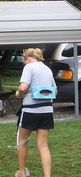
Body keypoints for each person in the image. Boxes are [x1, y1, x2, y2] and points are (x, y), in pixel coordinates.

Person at [15, 48, 56, 177]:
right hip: (47, 110)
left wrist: (18, 93)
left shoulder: (29, 67)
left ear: (27, 58)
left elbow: (23, 87)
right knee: (43, 146)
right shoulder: (47, 69)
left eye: (24, 61)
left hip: (30, 111)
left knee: (22, 142)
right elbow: (55, 91)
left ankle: (22, 172)